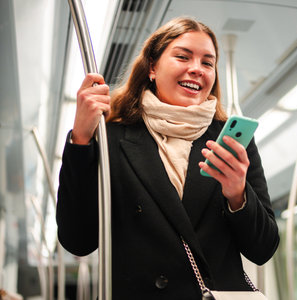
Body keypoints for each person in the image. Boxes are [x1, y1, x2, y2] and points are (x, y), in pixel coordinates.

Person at [56, 16, 279, 299]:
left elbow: (264, 249)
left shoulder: (232, 142)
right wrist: (81, 140)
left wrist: (238, 196)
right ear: (152, 67)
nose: (197, 69)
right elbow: (78, 240)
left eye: (207, 62)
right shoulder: (112, 135)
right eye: (183, 57)